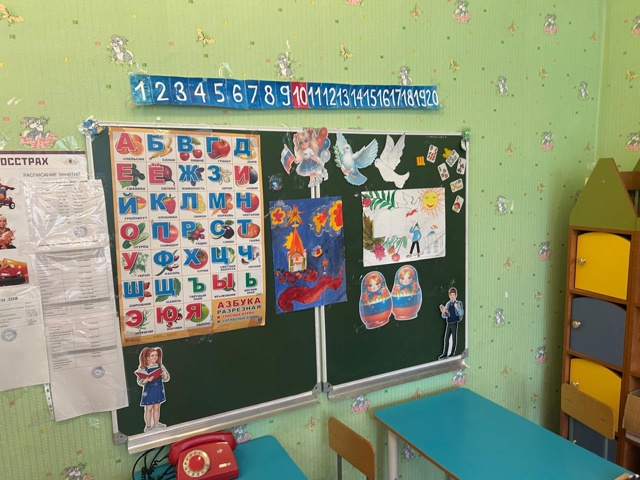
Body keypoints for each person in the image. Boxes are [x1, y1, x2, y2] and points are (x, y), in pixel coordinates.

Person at [135, 347, 170, 432]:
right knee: (149, 408)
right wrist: (146, 380)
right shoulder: (143, 368)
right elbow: (139, 381)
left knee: (157, 407)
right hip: (149, 390)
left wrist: (164, 375)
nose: (155, 357)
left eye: (156, 355)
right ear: (147, 358)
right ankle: (148, 425)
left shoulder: (160, 366)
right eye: (152, 355)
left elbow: (166, 378)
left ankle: (156, 424)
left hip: (158, 388)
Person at [438, 287, 464, 359]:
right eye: (451, 295)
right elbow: (444, 316)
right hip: (449, 323)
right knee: (446, 339)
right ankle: (445, 353)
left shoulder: (458, 303)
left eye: (453, 295)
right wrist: (443, 312)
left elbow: (461, 313)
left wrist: (457, 308)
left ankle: (452, 353)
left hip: (454, 323)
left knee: (454, 338)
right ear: (449, 296)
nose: (452, 296)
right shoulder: (448, 304)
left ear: (456, 295)